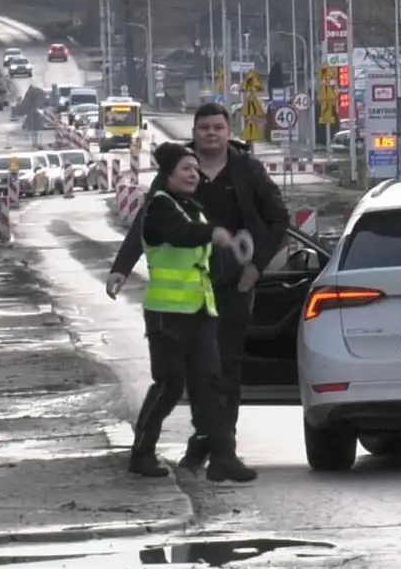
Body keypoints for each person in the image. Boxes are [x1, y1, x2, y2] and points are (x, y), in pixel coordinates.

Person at [105, 142, 257, 483]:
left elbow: (198, 251)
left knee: (210, 386)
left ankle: (223, 457)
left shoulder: (192, 207)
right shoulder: (160, 207)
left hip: (200, 311)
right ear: (168, 175)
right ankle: (142, 453)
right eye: (185, 169)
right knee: (169, 385)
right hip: (167, 315)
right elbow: (181, 235)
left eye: (195, 168)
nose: (193, 174)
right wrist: (211, 233)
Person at [178, 102, 290, 470]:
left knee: (226, 365)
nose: (211, 133)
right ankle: (204, 436)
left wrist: (256, 268)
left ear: (228, 131)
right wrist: (123, 266)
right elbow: (154, 217)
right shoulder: (179, 169)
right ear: (194, 132)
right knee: (196, 368)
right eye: (204, 128)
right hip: (187, 284)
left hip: (234, 283)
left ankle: (224, 445)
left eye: (218, 127)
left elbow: (278, 220)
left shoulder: (246, 170)